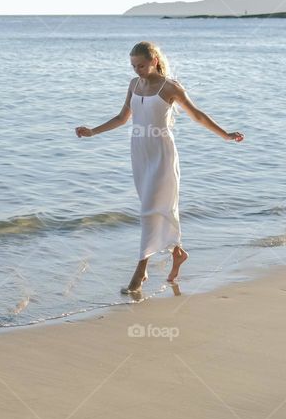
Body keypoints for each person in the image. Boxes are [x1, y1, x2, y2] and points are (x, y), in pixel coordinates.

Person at [74, 41, 243, 294]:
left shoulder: (170, 87)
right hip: (140, 152)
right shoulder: (134, 85)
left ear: (154, 60)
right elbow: (122, 118)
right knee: (156, 207)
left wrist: (226, 135)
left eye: (141, 65)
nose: (137, 70)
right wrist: (92, 132)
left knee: (149, 210)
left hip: (162, 152)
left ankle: (139, 272)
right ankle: (178, 252)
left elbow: (197, 115)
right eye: (133, 66)